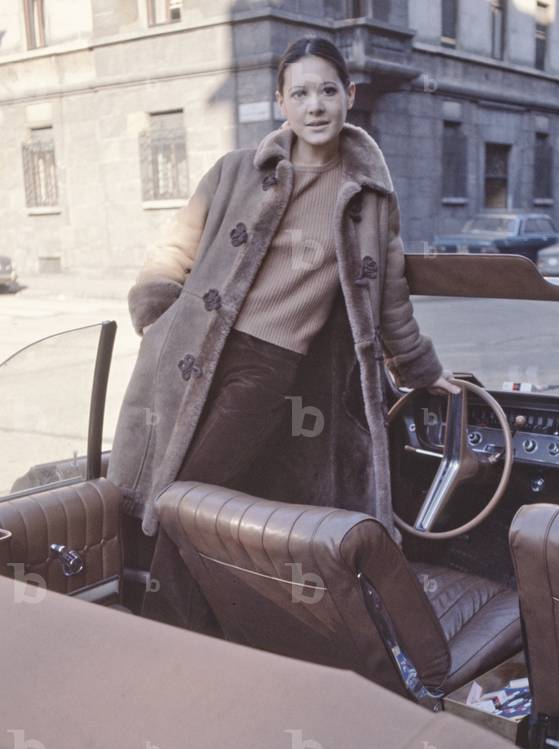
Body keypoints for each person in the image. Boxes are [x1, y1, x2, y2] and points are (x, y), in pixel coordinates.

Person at [107, 35, 458, 631]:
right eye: (300, 93)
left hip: (267, 367)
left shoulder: (369, 198)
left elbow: (390, 295)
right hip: (191, 351)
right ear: (281, 103)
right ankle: (185, 630)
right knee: (175, 494)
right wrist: (157, 314)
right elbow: (173, 248)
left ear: (350, 96)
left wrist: (421, 368)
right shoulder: (237, 171)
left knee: (191, 499)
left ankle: (166, 631)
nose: (315, 105)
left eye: (327, 90)